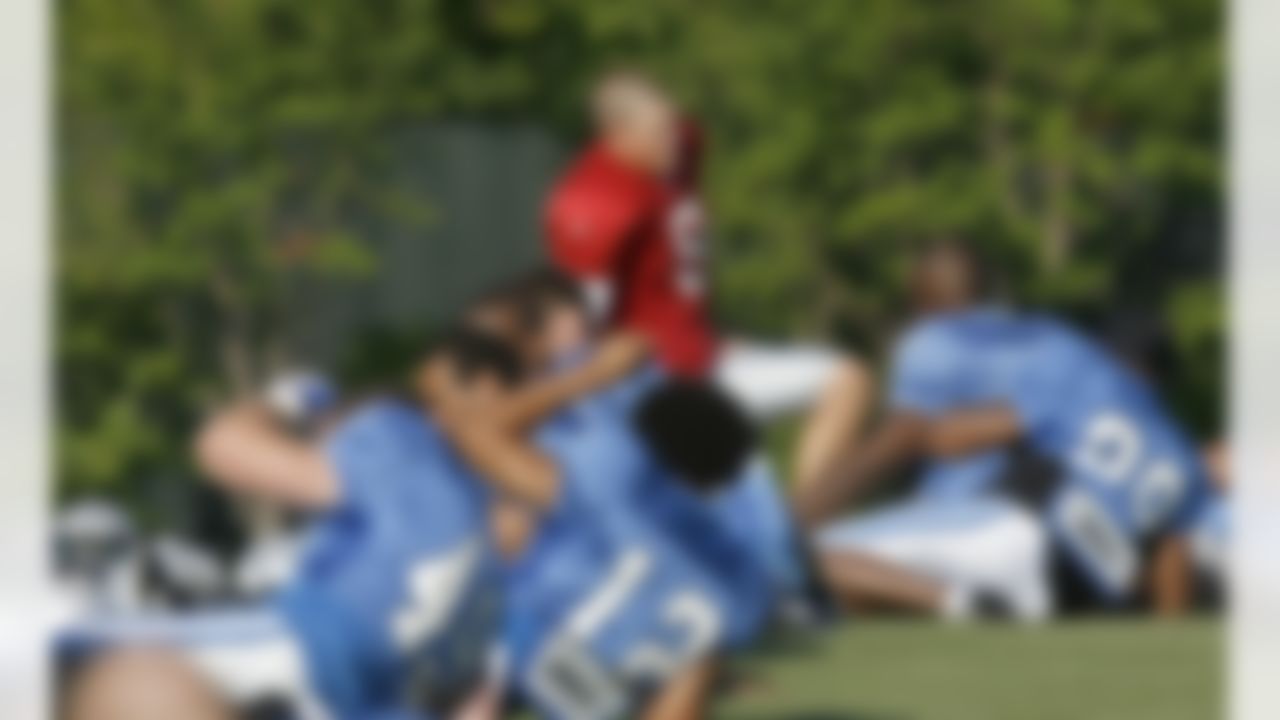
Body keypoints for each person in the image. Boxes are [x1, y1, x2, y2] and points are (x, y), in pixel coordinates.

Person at [60, 331, 556, 720]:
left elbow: (224, 446)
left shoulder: (405, 441)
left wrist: (288, 401)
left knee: (91, 660)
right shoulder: (505, 589)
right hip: (356, 700)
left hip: (292, 650)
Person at [801, 240, 1215, 617]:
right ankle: (962, 600)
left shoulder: (1083, 370)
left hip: (1014, 529)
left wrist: (799, 515)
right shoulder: (1182, 454)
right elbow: (1172, 558)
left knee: (800, 559)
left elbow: (935, 435)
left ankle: (958, 603)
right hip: (1074, 594)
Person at [543, 70, 872, 499]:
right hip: (660, 387)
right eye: (658, 133)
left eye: (671, 126)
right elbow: (577, 330)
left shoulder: (679, 146)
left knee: (846, 379)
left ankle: (804, 519)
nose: (673, 141)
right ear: (617, 134)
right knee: (730, 496)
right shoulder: (594, 200)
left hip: (706, 359)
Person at [439, 366, 772, 720]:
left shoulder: (612, 475)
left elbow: (475, 433)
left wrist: (591, 374)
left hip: (499, 642)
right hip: (590, 690)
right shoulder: (734, 574)